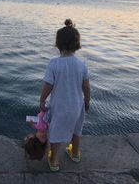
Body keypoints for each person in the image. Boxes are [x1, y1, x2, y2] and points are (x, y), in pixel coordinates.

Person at [39, 19, 91, 172]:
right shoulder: (81, 64)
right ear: (77, 44)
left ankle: (54, 160)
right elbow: (86, 86)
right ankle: (75, 153)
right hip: (77, 105)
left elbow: (48, 85)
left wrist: (42, 100)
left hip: (59, 107)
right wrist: (87, 100)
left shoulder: (54, 64)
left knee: (55, 132)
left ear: (58, 44)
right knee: (76, 129)